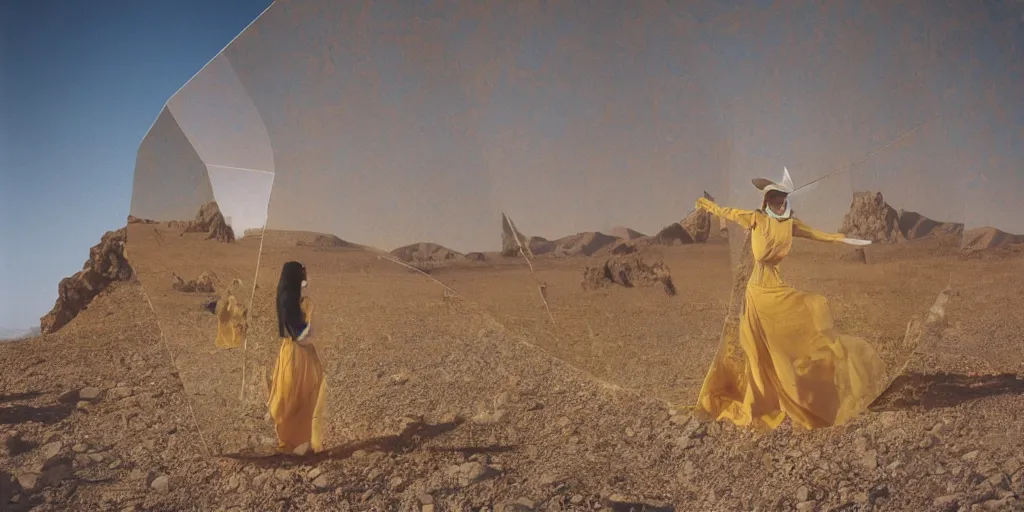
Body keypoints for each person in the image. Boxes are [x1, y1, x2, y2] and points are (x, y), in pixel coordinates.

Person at [694, 175, 884, 430]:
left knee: (815, 306)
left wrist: (844, 239)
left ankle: (811, 388)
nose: (779, 202)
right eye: (774, 198)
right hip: (757, 294)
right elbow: (726, 212)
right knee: (760, 353)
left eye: (783, 198)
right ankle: (766, 400)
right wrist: (707, 206)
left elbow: (820, 235)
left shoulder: (790, 224)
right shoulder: (755, 219)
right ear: (766, 201)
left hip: (777, 288)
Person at [267, 261, 327, 453]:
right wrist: (311, 315)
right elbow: (298, 332)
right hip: (297, 352)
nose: (305, 277)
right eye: (302, 273)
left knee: (300, 394)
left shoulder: (290, 297)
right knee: (294, 395)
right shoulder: (288, 299)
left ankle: (298, 439)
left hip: (294, 350)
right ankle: (292, 439)